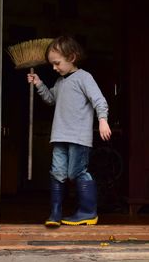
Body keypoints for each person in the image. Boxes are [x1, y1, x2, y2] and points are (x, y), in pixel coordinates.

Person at [27, 36, 112, 227]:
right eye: (52, 64)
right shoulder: (59, 82)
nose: (54, 68)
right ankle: (55, 213)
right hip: (59, 136)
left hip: (78, 137)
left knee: (77, 172)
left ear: (72, 57)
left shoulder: (84, 77)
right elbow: (51, 100)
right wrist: (39, 84)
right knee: (57, 172)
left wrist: (103, 120)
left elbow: (99, 100)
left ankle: (88, 212)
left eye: (57, 63)